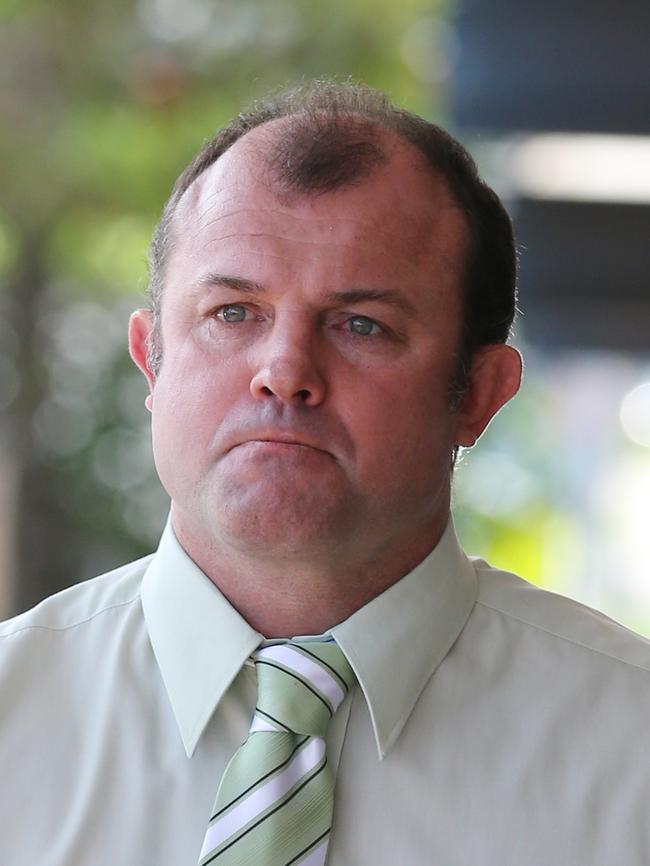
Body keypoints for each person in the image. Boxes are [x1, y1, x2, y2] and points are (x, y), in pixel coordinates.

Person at [1, 81, 649, 865]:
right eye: (233, 312)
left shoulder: (630, 752)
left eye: (361, 324)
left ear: (478, 394)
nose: (283, 371)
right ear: (151, 359)